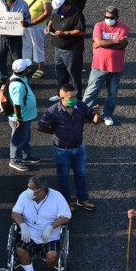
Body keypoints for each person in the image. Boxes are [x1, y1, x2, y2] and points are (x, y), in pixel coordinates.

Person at [37, 83, 98, 211]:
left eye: (75, 96)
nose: (74, 99)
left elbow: (92, 118)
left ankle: (82, 199)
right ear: (62, 98)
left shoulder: (80, 106)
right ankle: (65, 202)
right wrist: (54, 133)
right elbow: (40, 127)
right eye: (71, 97)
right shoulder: (53, 111)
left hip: (79, 148)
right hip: (62, 151)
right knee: (63, 177)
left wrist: (96, 115)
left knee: (80, 174)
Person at [11, 175, 71, 271]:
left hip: (50, 237)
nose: (28, 191)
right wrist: (23, 226)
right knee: (20, 250)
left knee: (52, 258)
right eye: (28, 187)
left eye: (32, 189)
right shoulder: (24, 196)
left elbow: (66, 217)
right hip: (29, 234)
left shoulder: (57, 197)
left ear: (41, 189)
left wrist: (50, 227)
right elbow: (15, 213)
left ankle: (49, 263)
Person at [82, 5, 130, 126]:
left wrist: (103, 44)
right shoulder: (99, 26)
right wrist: (116, 42)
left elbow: (122, 45)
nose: (108, 19)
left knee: (112, 93)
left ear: (117, 17)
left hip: (116, 67)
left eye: (111, 17)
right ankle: (83, 114)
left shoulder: (123, 27)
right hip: (99, 65)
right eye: (106, 16)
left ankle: (107, 114)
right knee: (91, 91)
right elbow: (98, 42)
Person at [45, 0, 86, 102]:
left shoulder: (76, 14)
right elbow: (52, 19)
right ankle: (61, 94)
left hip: (72, 50)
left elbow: (81, 31)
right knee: (60, 72)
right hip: (58, 47)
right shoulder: (57, 12)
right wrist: (49, 26)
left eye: (59, 10)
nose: (57, 12)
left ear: (66, 5)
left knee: (73, 74)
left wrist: (66, 33)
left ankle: (77, 98)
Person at [0, 0, 31, 85]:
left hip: (16, 37)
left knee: (17, 60)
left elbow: (28, 19)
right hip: (1, 36)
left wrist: (25, 23)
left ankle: (18, 78)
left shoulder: (23, 4)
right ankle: (2, 78)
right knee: (0, 59)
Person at [7, 59, 39, 172]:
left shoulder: (21, 78)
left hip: (26, 117)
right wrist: (19, 119)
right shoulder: (17, 86)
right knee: (17, 139)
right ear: (24, 70)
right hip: (21, 118)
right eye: (27, 67)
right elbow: (16, 104)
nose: (29, 68)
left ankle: (26, 155)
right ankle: (15, 160)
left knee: (25, 137)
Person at [21, 0, 52, 79]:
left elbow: (47, 12)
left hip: (38, 26)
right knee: (26, 46)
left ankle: (41, 67)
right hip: (26, 25)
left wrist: (32, 23)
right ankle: (27, 66)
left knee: (37, 46)